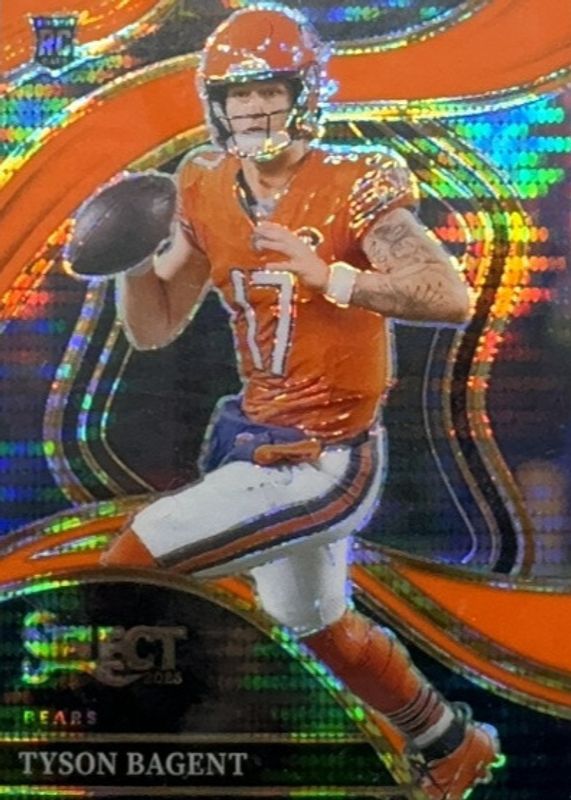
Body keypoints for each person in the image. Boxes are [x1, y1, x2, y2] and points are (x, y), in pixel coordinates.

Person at [98, 6, 501, 798]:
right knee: (313, 621)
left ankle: (144, 764)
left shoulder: (353, 180)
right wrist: (131, 260)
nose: (251, 110)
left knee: (130, 572)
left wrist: (333, 278)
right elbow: (154, 327)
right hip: (258, 438)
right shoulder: (203, 182)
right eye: (236, 94)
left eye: (268, 91)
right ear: (214, 103)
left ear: (303, 94)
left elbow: (447, 295)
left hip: (327, 456)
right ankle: (451, 745)